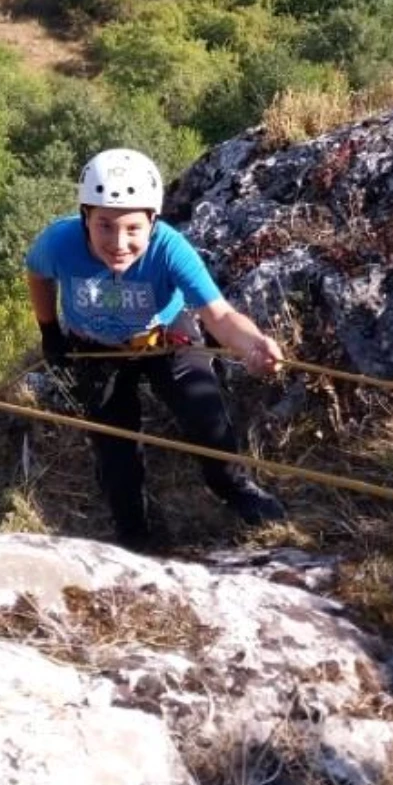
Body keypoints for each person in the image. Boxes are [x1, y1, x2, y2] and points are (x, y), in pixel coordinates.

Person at [25, 148, 287, 550]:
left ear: (152, 221)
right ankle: (133, 529)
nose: (119, 242)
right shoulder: (59, 243)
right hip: (95, 348)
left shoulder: (169, 249)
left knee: (207, 419)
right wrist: (48, 331)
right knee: (114, 449)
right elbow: (38, 274)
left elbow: (218, 314)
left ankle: (233, 487)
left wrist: (253, 344)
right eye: (105, 226)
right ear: (85, 219)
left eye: (132, 228)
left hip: (166, 338)